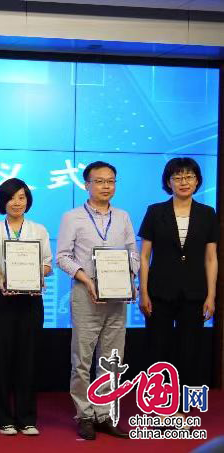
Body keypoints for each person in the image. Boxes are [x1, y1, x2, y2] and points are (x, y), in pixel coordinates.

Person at [56, 161, 139, 440]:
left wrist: (130, 277)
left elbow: (133, 252)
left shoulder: (123, 216)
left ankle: (104, 414)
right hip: (86, 293)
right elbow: (63, 257)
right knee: (82, 358)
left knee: (112, 358)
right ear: (87, 184)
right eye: (100, 181)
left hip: (117, 296)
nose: (106, 186)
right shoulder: (72, 217)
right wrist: (87, 279)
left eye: (111, 181)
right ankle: (84, 414)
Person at [138, 158, 217, 423]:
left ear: (197, 181)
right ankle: (157, 404)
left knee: (190, 349)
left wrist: (211, 295)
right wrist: (143, 292)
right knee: (157, 348)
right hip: (159, 291)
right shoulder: (155, 211)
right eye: (178, 177)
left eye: (189, 177)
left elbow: (211, 258)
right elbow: (144, 256)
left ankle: (183, 406)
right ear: (168, 182)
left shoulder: (207, 213)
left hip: (194, 292)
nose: (184, 182)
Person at [0, 178, 51, 436]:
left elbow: (47, 264)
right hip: (2, 299)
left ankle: (27, 418)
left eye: (22, 197)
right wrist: (4, 278)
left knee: (28, 359)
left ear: (28, 200)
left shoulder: (39, 230)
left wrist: (36, 275)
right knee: (0, 359)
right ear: (2, 201)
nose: (17, 202)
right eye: (11, 198)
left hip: (31, 301)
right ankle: (2, 418)